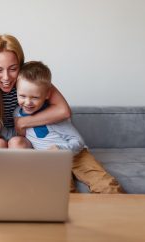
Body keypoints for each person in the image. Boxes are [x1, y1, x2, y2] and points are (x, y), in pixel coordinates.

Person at [14, 61, 124, 193]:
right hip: (52, 161)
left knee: (105, 184)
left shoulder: (55, 116)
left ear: (47, 94)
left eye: (35, 97)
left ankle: (119, 211)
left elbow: (78, 142)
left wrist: (61, 149)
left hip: (77, 155)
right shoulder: (17, 114)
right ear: (17, 91)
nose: (27, 102)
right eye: (22, 96)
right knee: (61, 192)